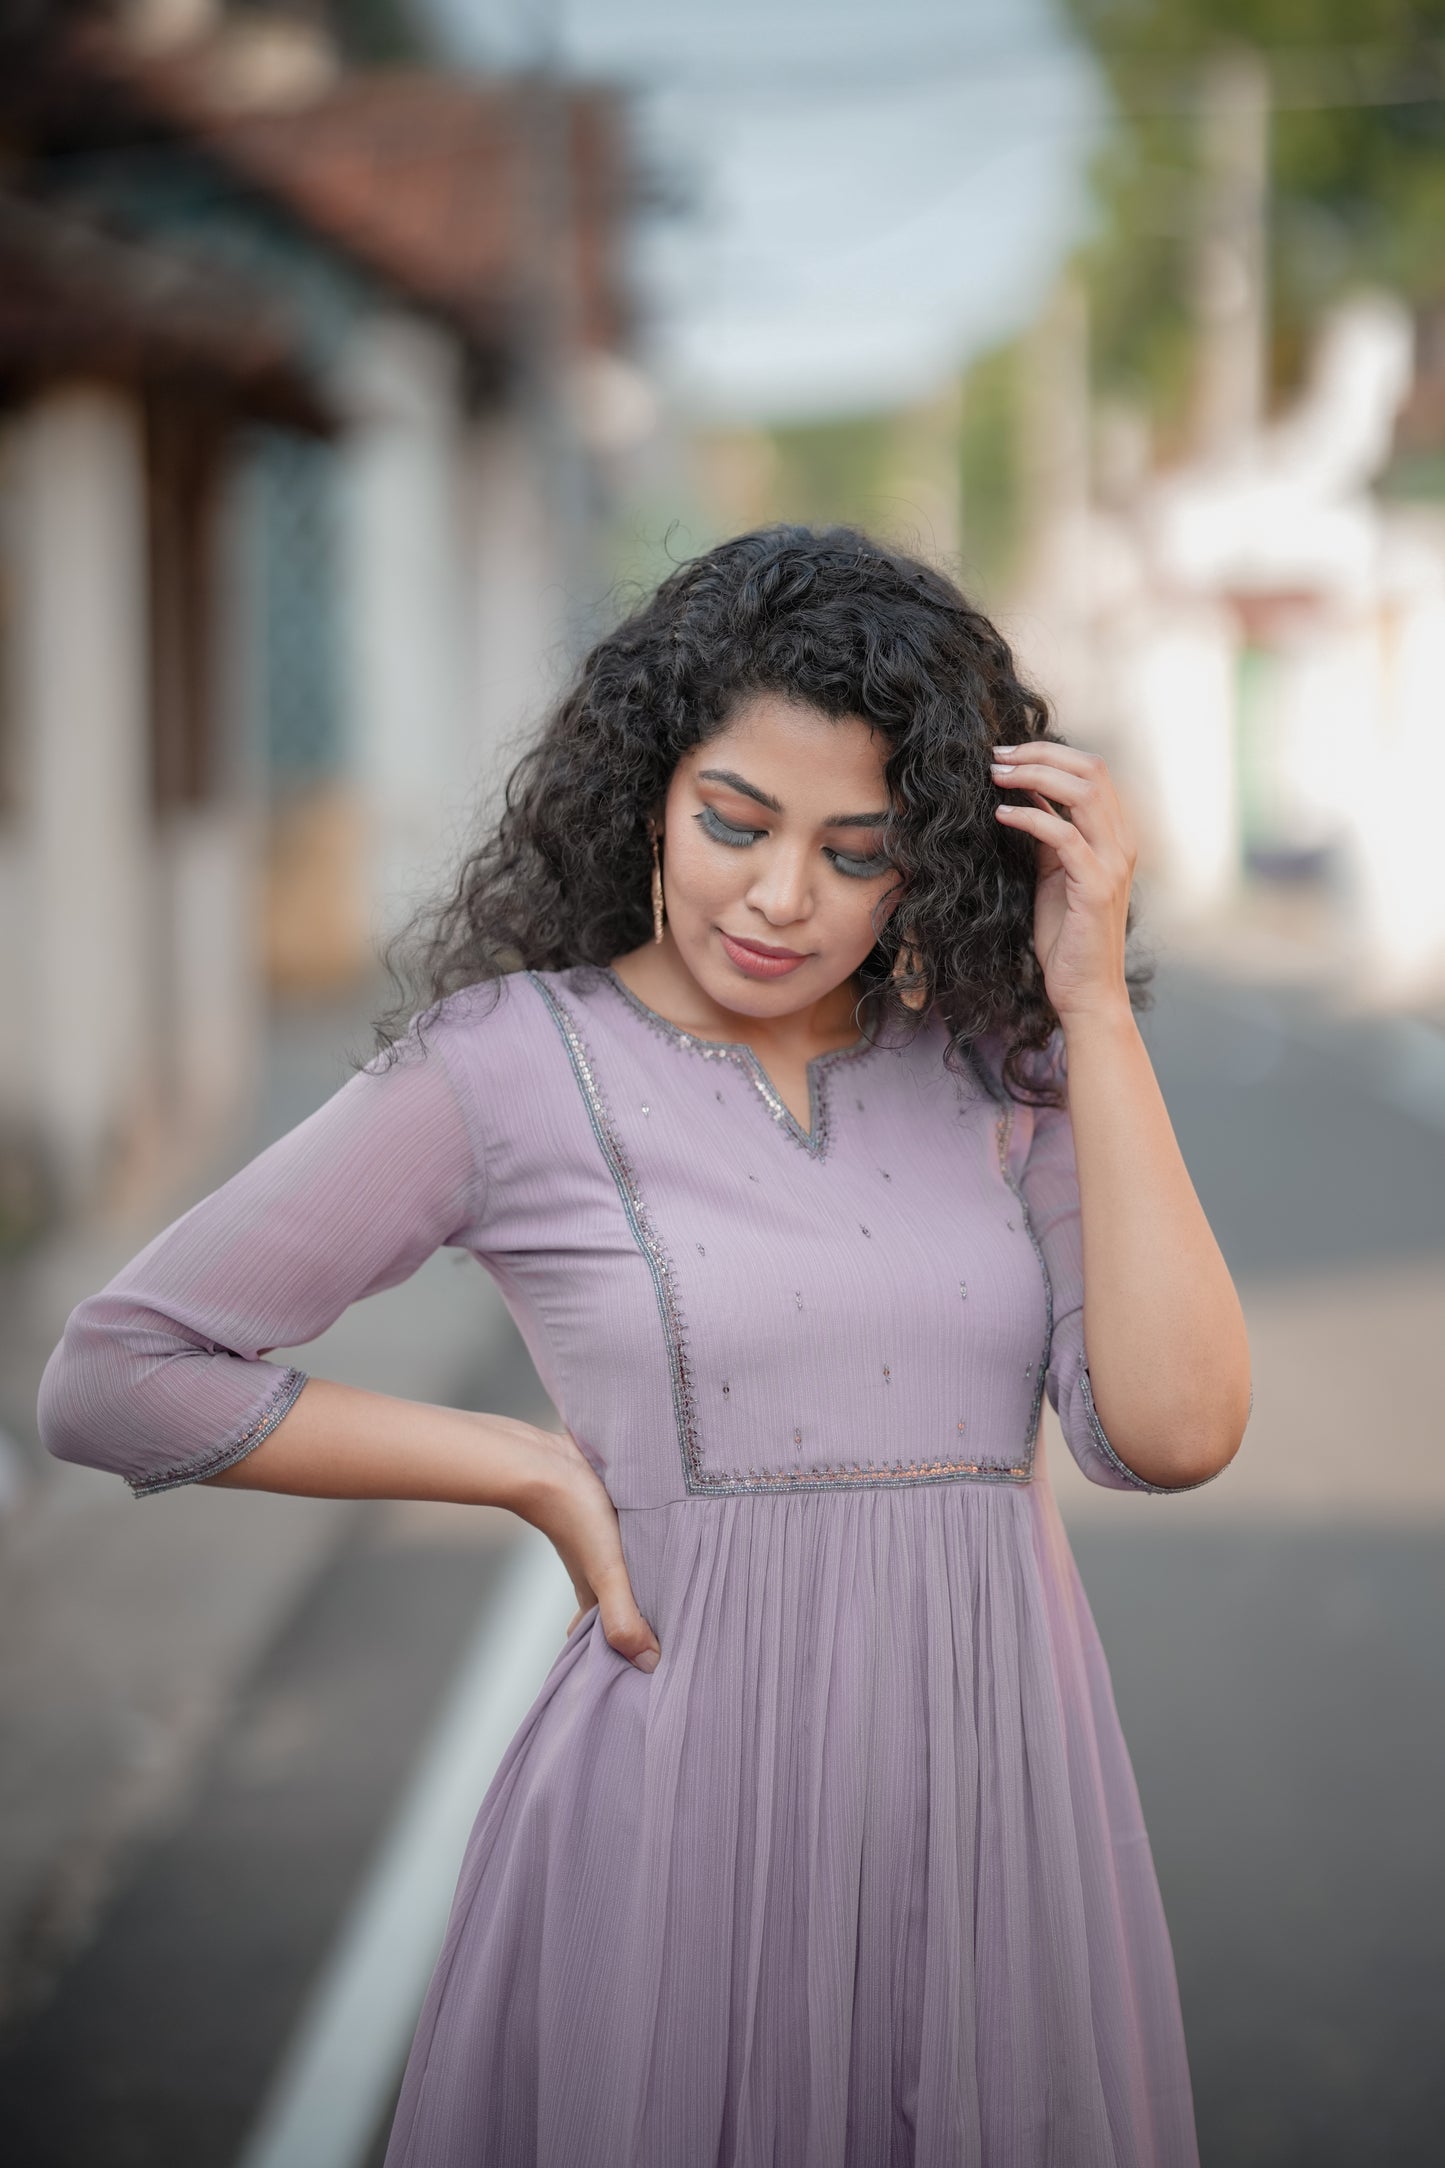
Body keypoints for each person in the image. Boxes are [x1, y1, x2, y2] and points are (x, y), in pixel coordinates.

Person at [38, 525, 1251, 2167]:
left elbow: (1169, 1432)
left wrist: (1089, 1003)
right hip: (682, 1817)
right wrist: (525, 1466)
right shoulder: (509, 1064)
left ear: (936, 859)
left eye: (856, 850)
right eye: (734, 823)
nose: (777, 896)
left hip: (992, 1818)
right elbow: (117, 1371)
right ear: (648, 794)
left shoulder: (996, 1067)